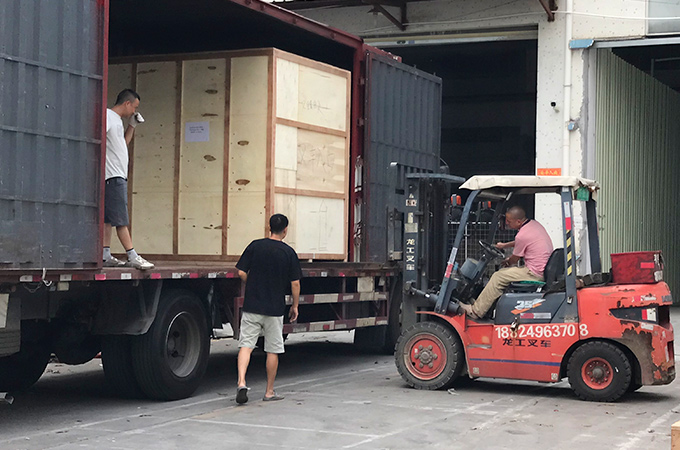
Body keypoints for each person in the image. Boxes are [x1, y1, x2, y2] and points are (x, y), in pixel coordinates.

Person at [235, 214, 302, 404]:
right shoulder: (288, 252)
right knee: (272, 350)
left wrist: (251, 283)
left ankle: (241, 382)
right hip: (274, 308)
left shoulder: (255, 246)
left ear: (269, 227)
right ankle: (269, 391)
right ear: (285, 230)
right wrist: (295, 305)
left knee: (246, 345)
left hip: (252, 305)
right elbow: (295, 283)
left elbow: (241, 271)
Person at [459, 206, 553, 319]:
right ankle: (486, 305)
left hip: (533, 273)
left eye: (509, 221)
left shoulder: (522, 235)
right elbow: (523, 241)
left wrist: (507, 261)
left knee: (498, 276)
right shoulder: (533, 225)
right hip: (540, 269)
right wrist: (504, 245)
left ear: (518, 221)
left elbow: (514, 259)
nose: (507, 223)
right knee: (504, 273)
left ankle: (476, 311)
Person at [103, 89, 154, 270]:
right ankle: (132, 255)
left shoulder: (117, 120)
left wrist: (132, 126)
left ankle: (105, 254)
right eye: (134, 107)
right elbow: (99, 139)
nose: (134, 111)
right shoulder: (108, 116)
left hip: (117, 175)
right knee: (121, 219)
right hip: (113, 175)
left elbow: (122, 145)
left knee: (108, 219)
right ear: (127, 103)